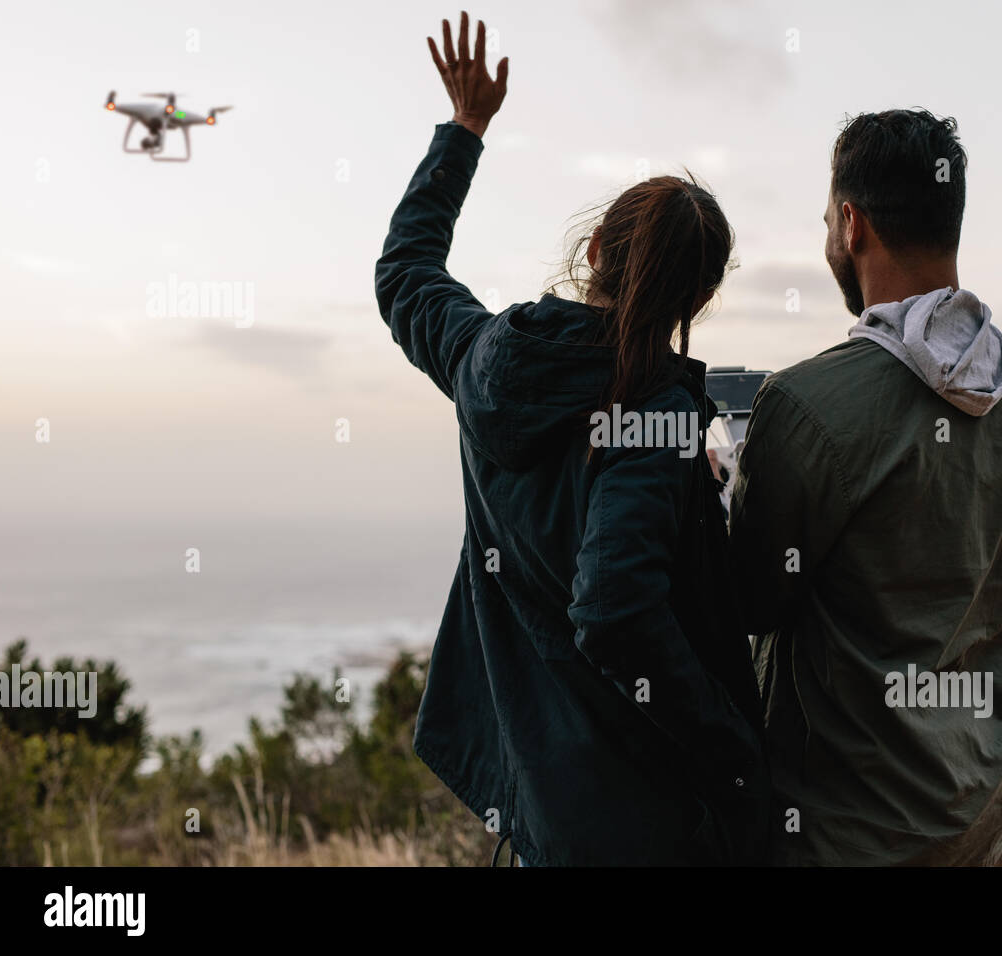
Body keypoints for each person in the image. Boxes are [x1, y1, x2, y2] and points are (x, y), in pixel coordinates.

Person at [375, 12, 769, 866]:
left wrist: (464, 130)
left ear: (592, 250)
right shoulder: (653, 414)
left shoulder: (487, 357)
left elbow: (405, 271)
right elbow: (615, 607)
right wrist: (736, 753)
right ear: (695, 302)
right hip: (649, 824)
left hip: (539, 811)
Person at [727, 109, 1002, 865]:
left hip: (837, 826)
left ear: (851, 224)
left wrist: (728, 488)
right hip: (972, 809)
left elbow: (749, 601)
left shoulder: (807, 404)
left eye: (826, 220)